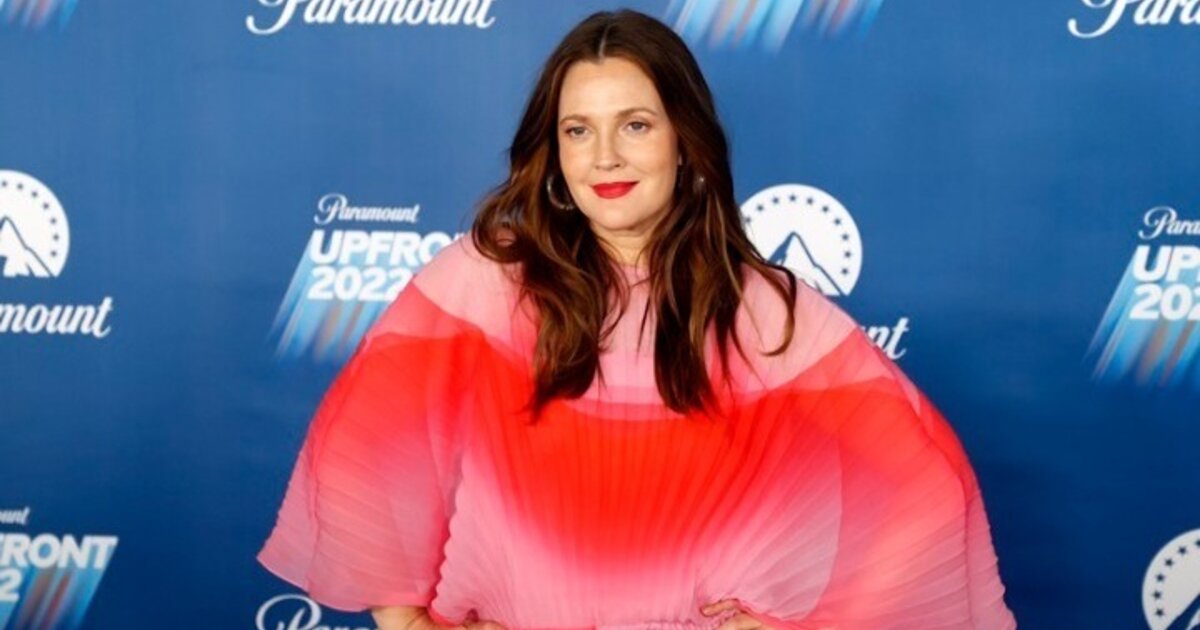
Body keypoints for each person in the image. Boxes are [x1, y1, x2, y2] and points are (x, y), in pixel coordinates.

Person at [257, 9, 1018, 630]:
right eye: (578, 130)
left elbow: (922, 492)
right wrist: (406, 623)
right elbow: (365, 452)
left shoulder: (762, 308)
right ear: (553, 153)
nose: (605, 158)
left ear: (685, 141)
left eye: (636, 125)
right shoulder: (486, 281)